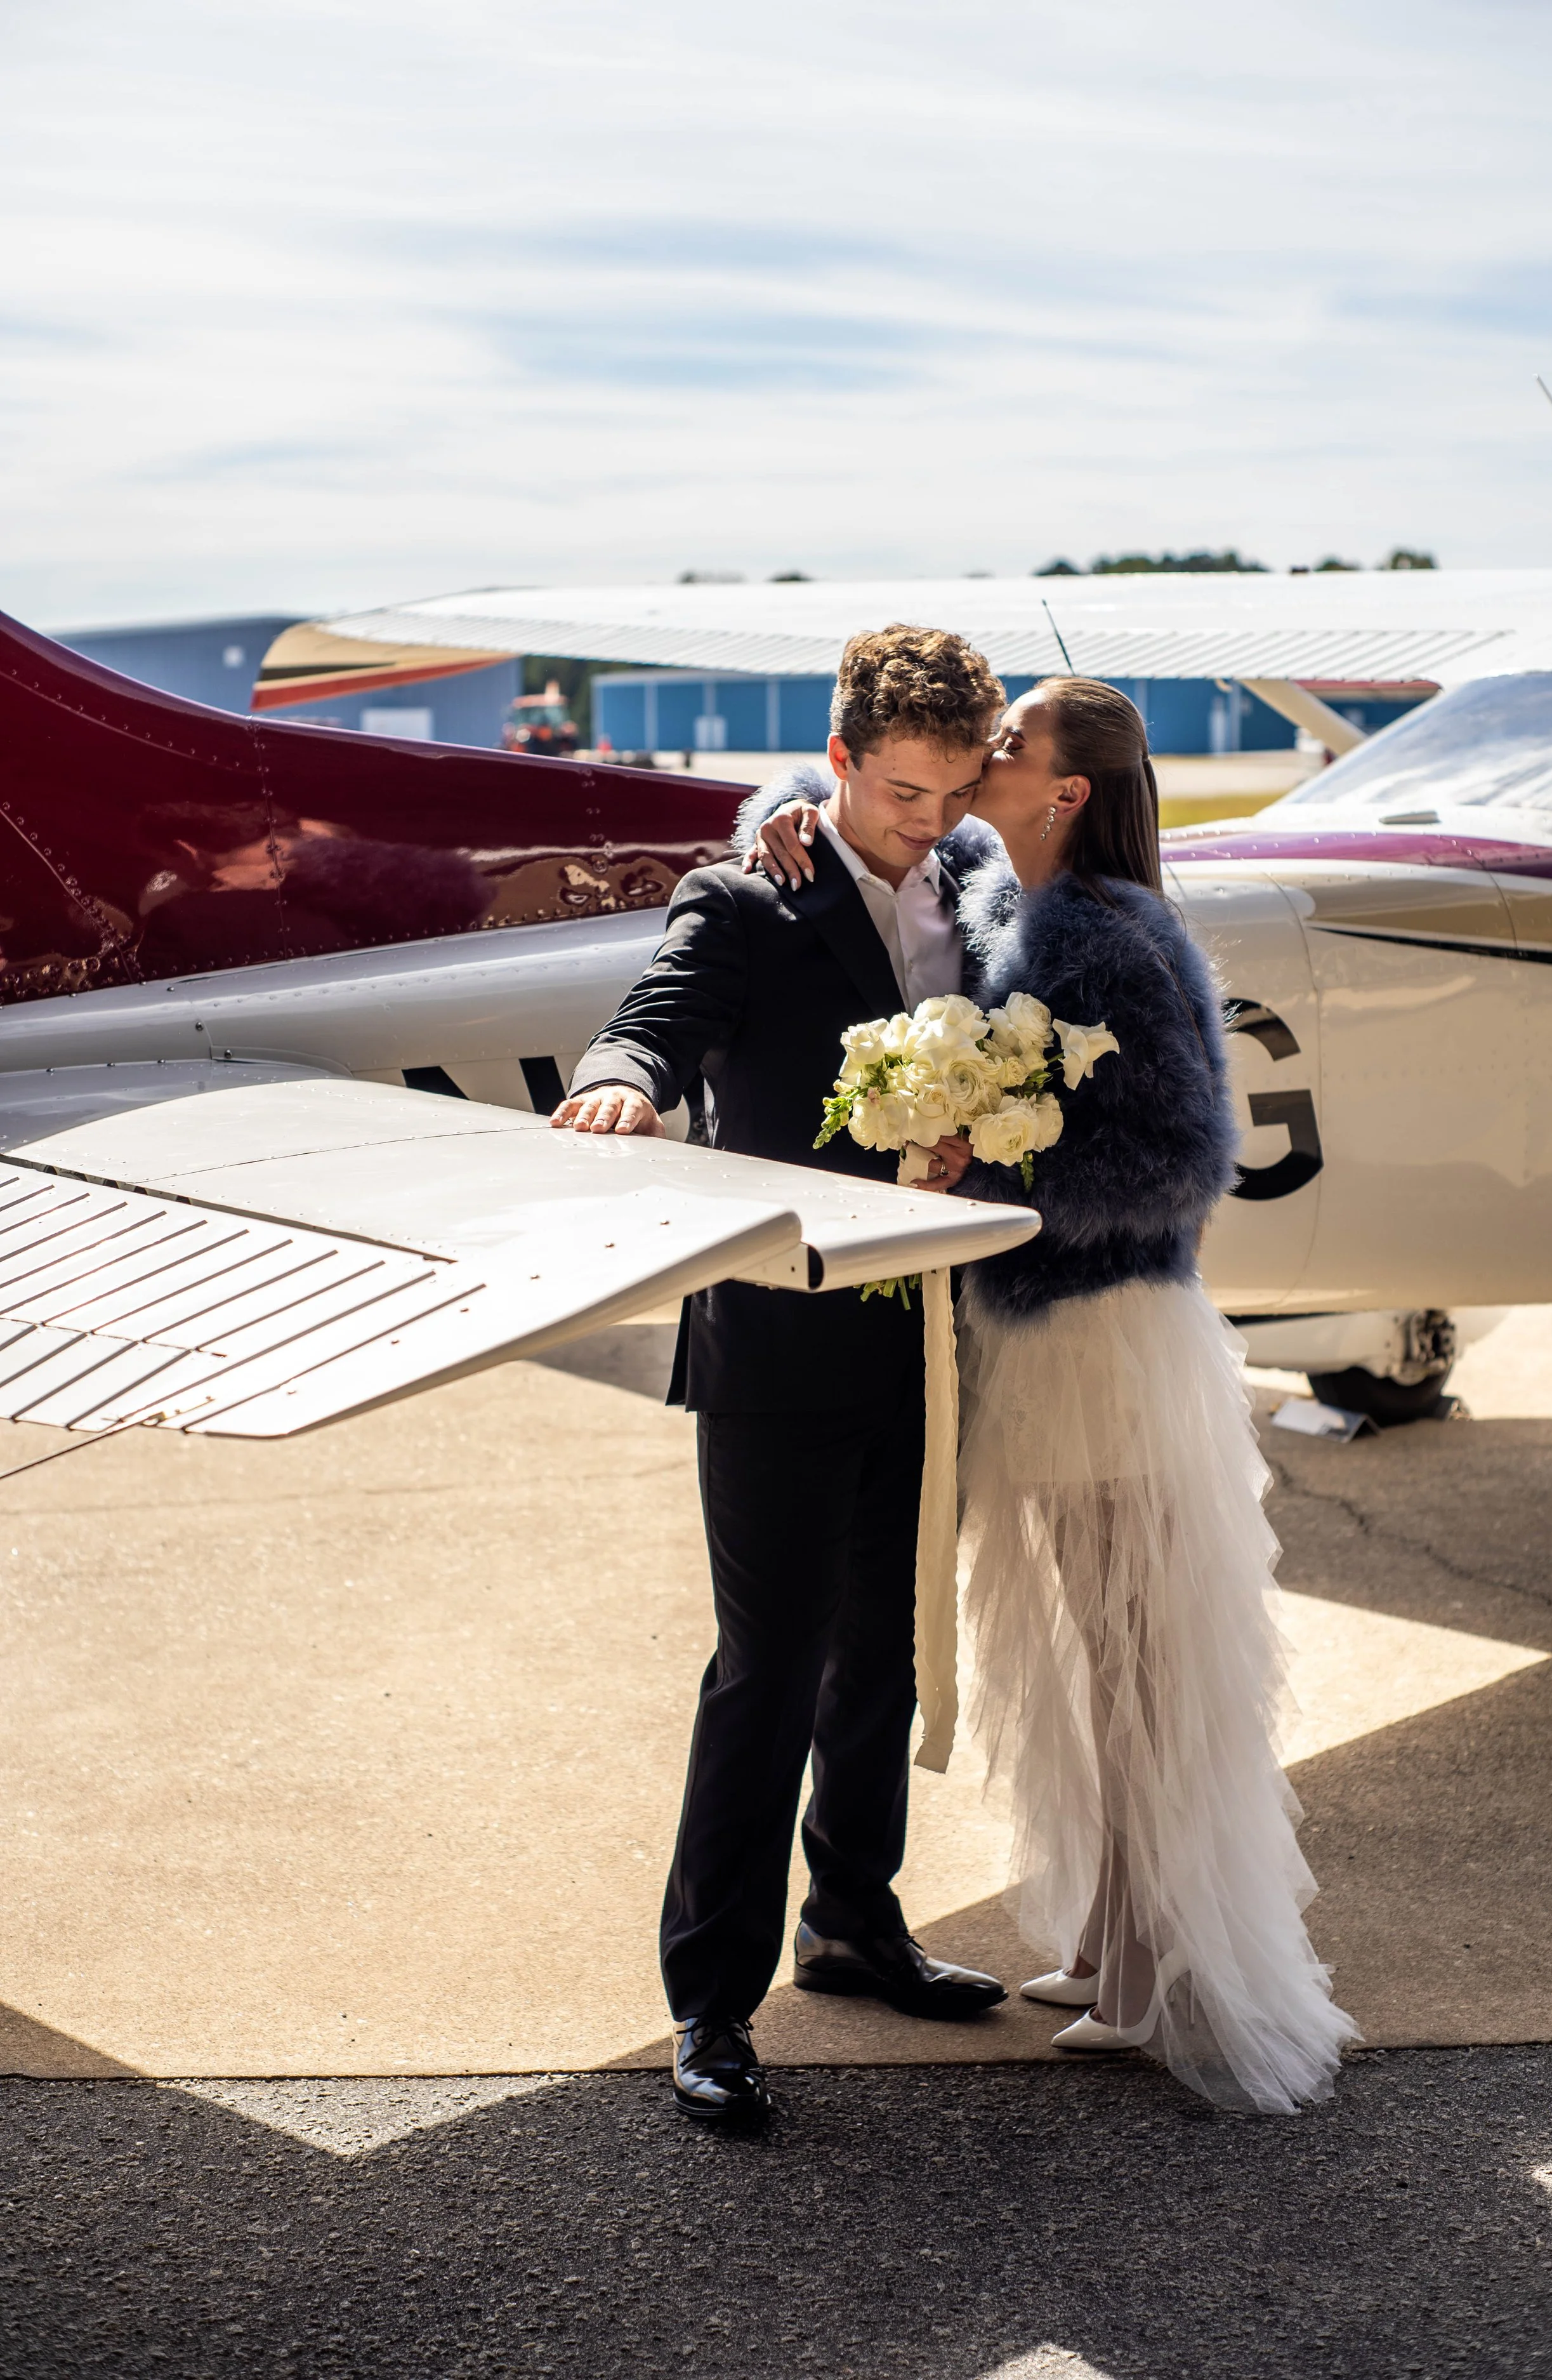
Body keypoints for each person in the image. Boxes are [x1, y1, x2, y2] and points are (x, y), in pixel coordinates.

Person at [749, 676, 1358, 2112]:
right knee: (1095, 1663)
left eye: (1007, 746)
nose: (981, 759)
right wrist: (777, 811)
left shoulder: (1108, 934)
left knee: (1137, 1668)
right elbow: (851, 808)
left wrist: (997, 1161)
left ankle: (1163, 1972)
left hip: (1107, 1339)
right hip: (1037, 1338)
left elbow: (1174, 1163)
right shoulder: (990, 880)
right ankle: (1110, 1933)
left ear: (1067, 789)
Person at [551, 626, 1011, 2124]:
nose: (924, 822)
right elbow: (658, 1015)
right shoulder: (756, 889)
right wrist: (621, 1079)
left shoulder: (970, 886)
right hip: (776, 1339)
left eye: (950, 793)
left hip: (922, 1338)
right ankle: (710, 2004)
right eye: (897, 792)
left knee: (882, 1649)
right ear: (834, 761)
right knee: (768, 1666)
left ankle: (854, 1922)